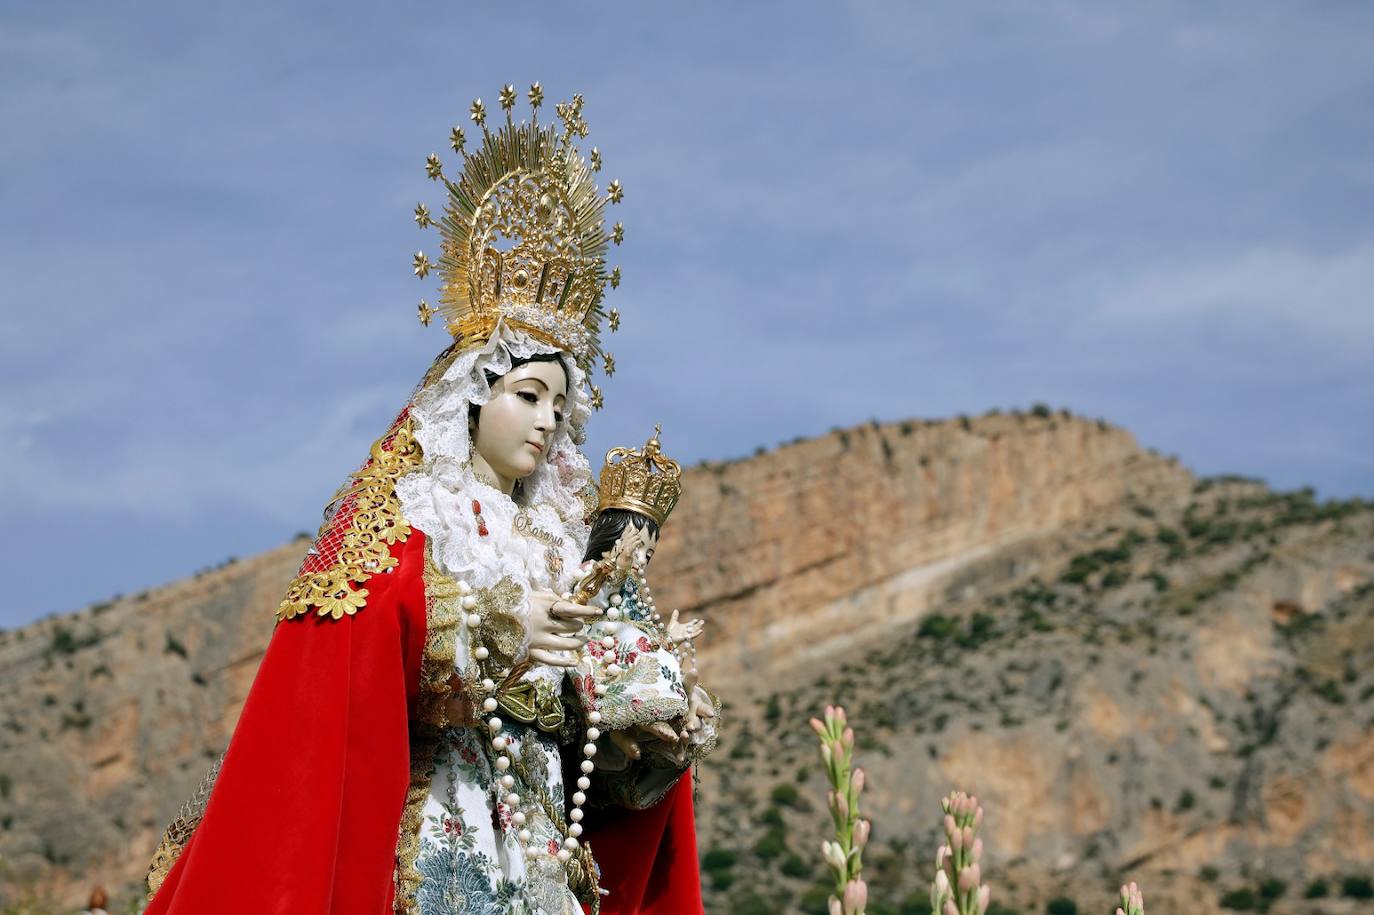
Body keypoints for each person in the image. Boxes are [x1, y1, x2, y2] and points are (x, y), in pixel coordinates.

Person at [142, 85, 701, 915]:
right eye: (528, 393)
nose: (547, 421)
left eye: (561, 404)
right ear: (475, 394)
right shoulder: (415, 514)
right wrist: (493, 624)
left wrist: (636, 704)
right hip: (447, 835)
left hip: (545, 857)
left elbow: (601, 755)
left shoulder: (558, 540)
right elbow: (354, 634)